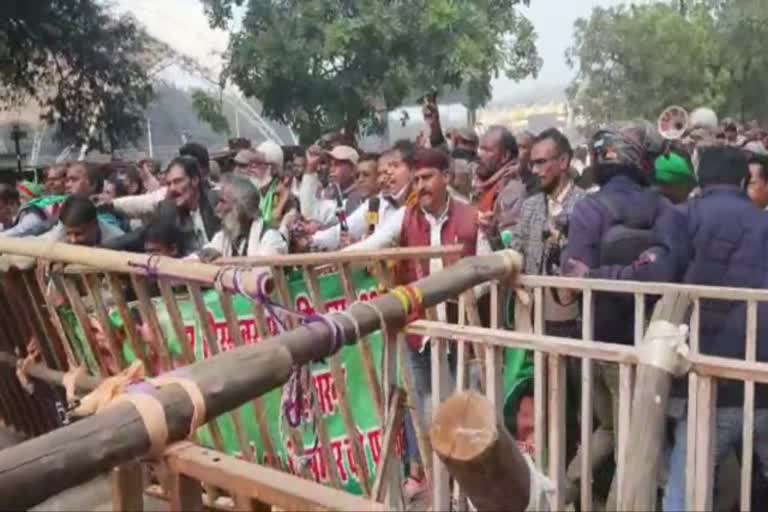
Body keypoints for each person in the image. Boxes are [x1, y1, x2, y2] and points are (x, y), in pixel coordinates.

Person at [658, 147, 768, 511]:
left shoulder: (682, 217)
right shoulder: (763, 222)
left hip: (708, 379)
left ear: (700, 181)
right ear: (742, 181)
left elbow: (662, 277)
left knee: (685, 493)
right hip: (762, 375)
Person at [307, 140, 416, 251]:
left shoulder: (414, 205)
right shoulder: (376, 203)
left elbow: (378, 241)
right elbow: (343, 230)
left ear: (413, 170)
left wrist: (352, 249)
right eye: (383, 172)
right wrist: (311, 241)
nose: (386, 176)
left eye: (395, 166)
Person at [98, 156, 220, 253]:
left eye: (178, 181)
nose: (172, 188)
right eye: (169, 183)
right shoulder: (169, 209)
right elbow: (142, 233)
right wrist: (101, 250)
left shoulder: (217, 203)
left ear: (195, 180)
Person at [195, 174, 287, 261]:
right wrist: (207, 255)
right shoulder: (224, 236)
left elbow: (261, 273)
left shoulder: (270, 238)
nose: (218, 208)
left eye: (223, 201)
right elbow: (202, 254)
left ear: (239, 207)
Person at [476, 126, 533, 248]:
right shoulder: (488, 184)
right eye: (480, 149)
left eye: (487, 150)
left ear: (505, 156)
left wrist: (493, 234)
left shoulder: (513, 191)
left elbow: (510, 245)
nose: (479, 155)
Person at [234, 142, 298, 230]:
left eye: (258, 164)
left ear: (273, 169)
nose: (251, 168)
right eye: (251, 163)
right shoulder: (249, 193)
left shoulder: (286, 198)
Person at [300, 145, 364, 227]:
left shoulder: (357, 197)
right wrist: (311, 168)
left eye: (337, 164)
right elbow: (308, 212)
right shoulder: (329, 191)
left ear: (353, 170)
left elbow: (311, 213)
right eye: (330, 164)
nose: (331, 169)